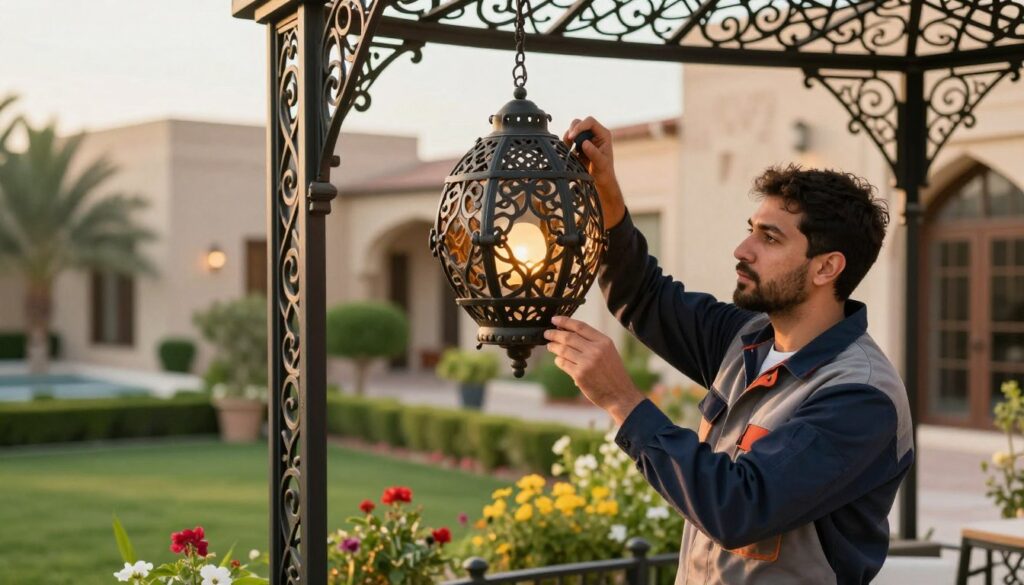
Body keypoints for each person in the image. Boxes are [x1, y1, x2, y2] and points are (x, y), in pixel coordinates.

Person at [543, 117, 914, 584]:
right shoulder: (746, 340)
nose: (743, 249)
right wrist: (607, 197)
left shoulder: (860, 395)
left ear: (827, 268)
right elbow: (644, 296)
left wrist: (622, 400)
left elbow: (739, 508)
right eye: (751, 230)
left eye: (770, 237)